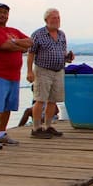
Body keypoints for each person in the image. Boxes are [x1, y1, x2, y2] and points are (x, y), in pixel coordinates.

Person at [0, 3, 32, 149]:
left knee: (7, 105)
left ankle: (2, 133)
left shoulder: (13, 31)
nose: (2, 15)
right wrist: (18, 46)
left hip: (13, 75)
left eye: (5, 12)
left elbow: (30, 42)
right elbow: (4, 46)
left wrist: (14, 42)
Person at [26, 8, 74, 139]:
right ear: (46, 20)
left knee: (53, 100)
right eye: (53, 18)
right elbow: (31, 54)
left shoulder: (62, 35)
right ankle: (36, 128)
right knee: (40, 99)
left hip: (58, 71)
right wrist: (29, 71)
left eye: (58, 18)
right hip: (43, 70)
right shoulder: (38, 34)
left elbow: (62, 53)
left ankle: (48, 126)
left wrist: (68, 57)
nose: (57, 20)